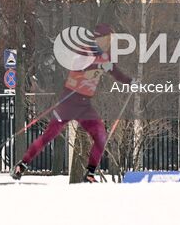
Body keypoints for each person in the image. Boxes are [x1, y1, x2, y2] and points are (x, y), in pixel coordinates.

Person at [13, 23, 130, 183]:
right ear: (99, 38)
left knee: (101, 136)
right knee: (49, 136)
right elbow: (80, 66)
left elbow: (116, 73)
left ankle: (89, 173)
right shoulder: (84, 50)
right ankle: (22, 165)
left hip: (84, 106)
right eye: (108, 39)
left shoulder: (105, 57)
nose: (109, 43)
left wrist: (131, 82)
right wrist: (98, 66)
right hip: (68, 102)